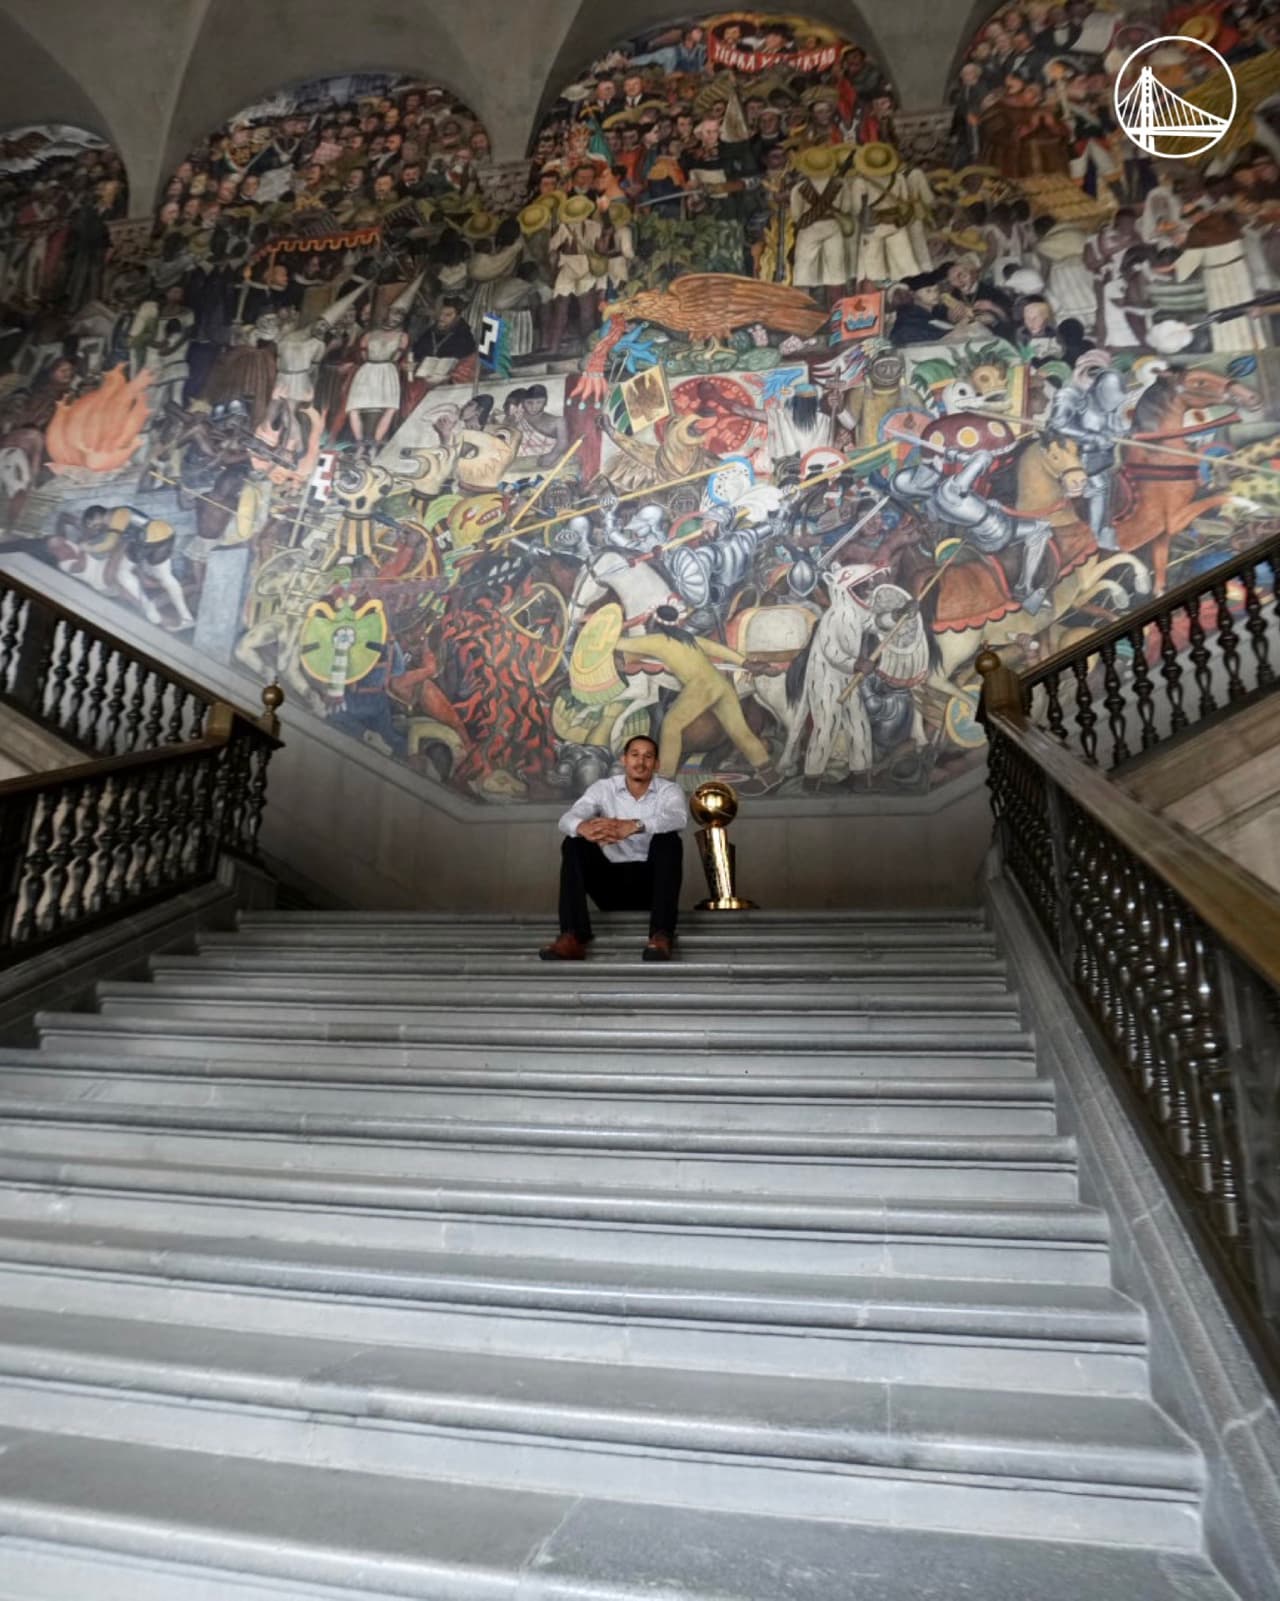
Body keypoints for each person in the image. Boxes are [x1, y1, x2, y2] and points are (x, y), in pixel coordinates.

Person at [541, 734, 687, 963]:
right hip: (609, 885)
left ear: (656, 764)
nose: (641, 762)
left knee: (668, 840)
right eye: (635, 755)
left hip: (652, 885)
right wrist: (582, 827)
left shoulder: (669, 790)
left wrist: (635, 826)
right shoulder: (603, 788)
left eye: (648, 757)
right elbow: (567, 819)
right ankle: (573, 937)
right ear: (624, 760)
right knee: (573, 841)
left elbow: (678, 818)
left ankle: (661, 936)